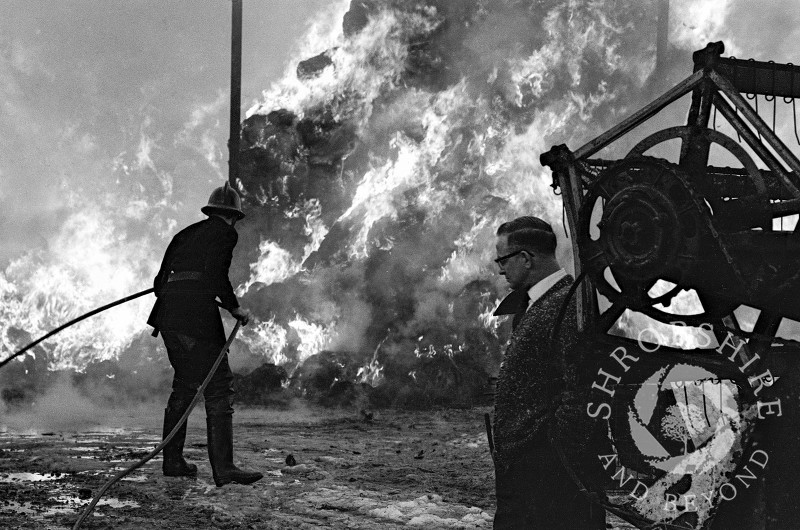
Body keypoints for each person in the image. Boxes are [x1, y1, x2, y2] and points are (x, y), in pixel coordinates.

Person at [490, 216, 604, 529]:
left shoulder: (568, 305)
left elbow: (581, 392)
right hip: (525, 475)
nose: (500, 269)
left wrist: (550, 457)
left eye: (503, 260)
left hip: (550, 479)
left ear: (525, 259)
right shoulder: (537, 304)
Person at [147, 181, 263, 487]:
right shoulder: (225, 233)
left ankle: (172, 463)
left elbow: (159, 284)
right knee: (219, 387)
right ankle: (224, 469)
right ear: (233, 217)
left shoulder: (183, 235)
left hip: (168, 318)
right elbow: (216, 275)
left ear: (210, 211)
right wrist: (235, 308)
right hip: (195, 321)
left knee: (185, 387)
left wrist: (181, 284)